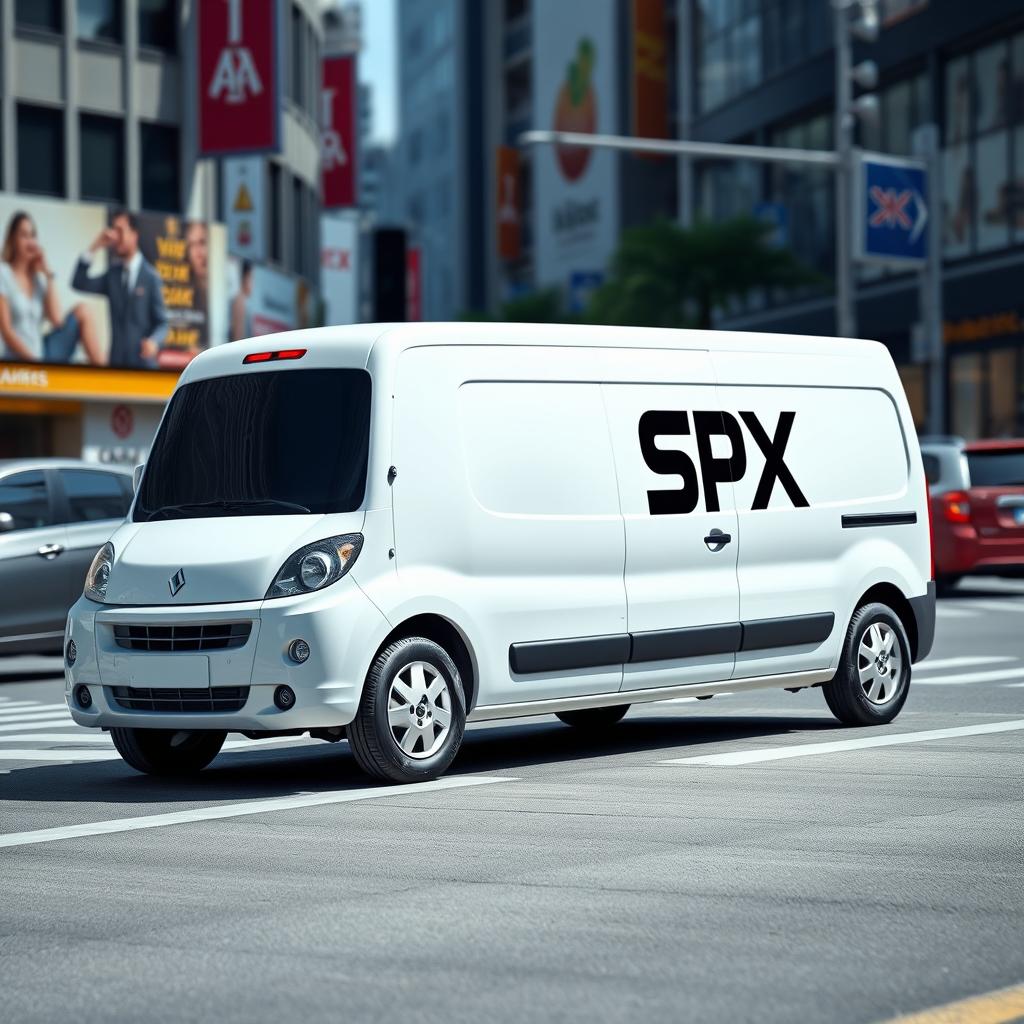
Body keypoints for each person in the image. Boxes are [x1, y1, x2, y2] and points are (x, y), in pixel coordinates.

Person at [0, 211, 102, 364]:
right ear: (13, 239)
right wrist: (35, 362)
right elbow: (6, 332)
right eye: (24, 235)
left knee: (84, 311)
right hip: (19, 359)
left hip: (43, 352)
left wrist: (48, 274)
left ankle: (107, 378)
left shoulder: (38, 280)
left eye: (32, 236)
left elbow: (57, 320)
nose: (30, 241)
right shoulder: (4, 274)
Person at [71, 210, 168, 369]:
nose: (115, 237)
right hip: (116, 368)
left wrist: (153, 342)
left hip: (144, 368)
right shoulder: (113, 275)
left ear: (134, 234)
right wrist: (95, 246)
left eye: (120, 231)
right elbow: (79, 282)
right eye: (113, 230)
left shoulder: (151, 277)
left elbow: (162, 323)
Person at [230, 260, 254, 342]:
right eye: (251, 278)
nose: (253, 284)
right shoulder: (240, 301)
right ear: (245, 278)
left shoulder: (242, 300)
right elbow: (238, 336)